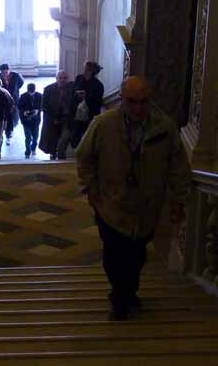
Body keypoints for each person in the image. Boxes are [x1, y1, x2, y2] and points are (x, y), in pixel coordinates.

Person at [75, 75, 192, 321]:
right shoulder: (103, 124)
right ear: (122, 100)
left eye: (143, 102)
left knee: (137, 254)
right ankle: (120, 297)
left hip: (147, 207)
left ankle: (128, 290)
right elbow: (84, 157)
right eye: (132, 102)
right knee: (115, 254)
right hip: (110, 204)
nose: (138, 108)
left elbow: (178, 165)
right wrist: (91, 188)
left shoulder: (163, 127)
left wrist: (178, 200)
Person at [39, 69, 75, 159]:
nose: (62, 80)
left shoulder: (72, 89)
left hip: (67, 120)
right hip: (52, 119)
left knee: (64, 139)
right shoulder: (48, 89)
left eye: (65, 78)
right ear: (56, 78)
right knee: (52, 142)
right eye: (60, 78)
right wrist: (52, 119)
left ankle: (61, 157)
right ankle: (53, 157)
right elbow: (44, 106)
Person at [71, 61, 105, 147]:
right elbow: (72, 92)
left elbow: (98, 102)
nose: (84, 71)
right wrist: (77, 93)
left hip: (90, 116)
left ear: (91, 71)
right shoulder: (79, 78)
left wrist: (86, 96)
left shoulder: (98, 85)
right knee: (75, 139)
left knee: (89, 139)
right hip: (77, 114)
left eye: (86, 69)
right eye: (84, 69)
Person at [0, 63, 24, 144]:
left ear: (9, 70)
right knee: (5, 115)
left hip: (14, 99)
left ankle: (9, 133)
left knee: (11, 115)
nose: (5, 74)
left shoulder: (16, 75)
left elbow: (21, 83)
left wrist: (15, 90)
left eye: (6, 72)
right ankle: (5, 131)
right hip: (3, 100)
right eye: (3, 72)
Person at [19, 82, 42, 158]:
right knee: (28, 136)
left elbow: (43, 106)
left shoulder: (39, 96)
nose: (31, 93)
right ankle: (27, 151)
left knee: (35, 137)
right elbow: (19, 107)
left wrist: (37, 110)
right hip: (26, 120)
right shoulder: (23, 96)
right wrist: (24, 112)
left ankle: (33, 148)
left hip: (36, 120)